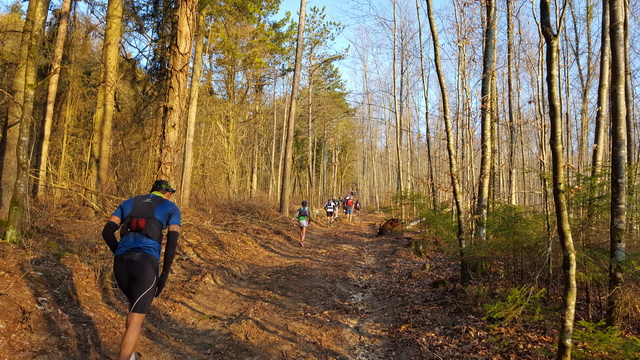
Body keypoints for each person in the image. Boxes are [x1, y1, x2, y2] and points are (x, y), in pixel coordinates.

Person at [102, 180, 182, 360]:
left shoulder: (128, 202)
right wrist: (165, 273)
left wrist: (119, 254)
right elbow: (172, 241)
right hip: (145, 264)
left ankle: (130, 357)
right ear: (167, 193)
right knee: (136, 320)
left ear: (152, 190)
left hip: (121, 264)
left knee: (134, 311)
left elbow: (107, 232)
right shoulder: (171, 208)